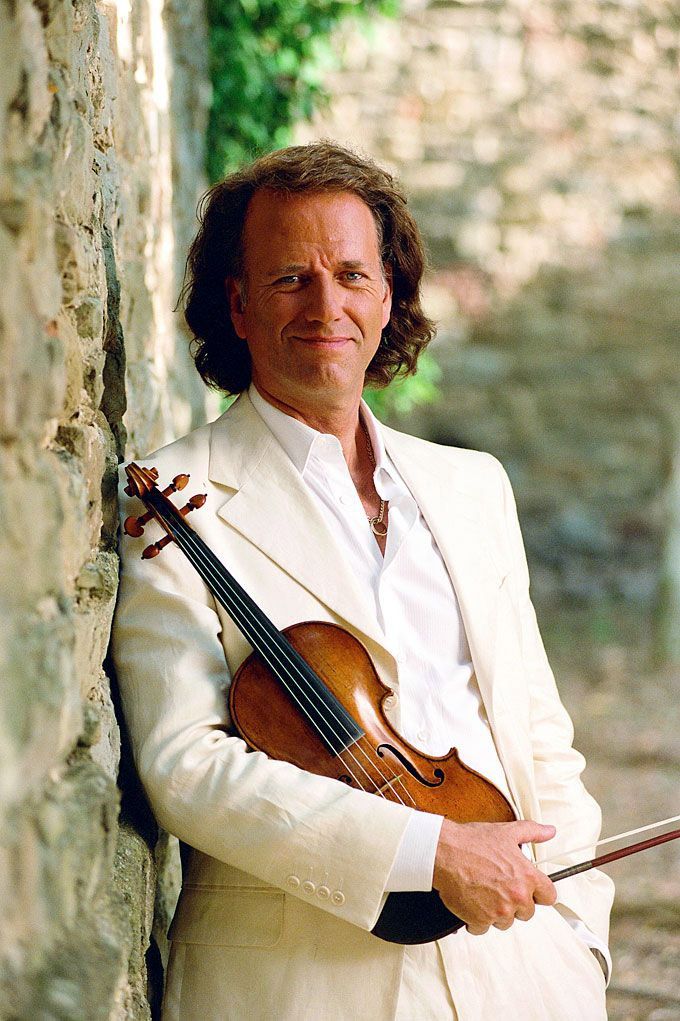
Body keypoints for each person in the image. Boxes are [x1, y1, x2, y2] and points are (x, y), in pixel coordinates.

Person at [112, 142, 614, 1020]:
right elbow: (185, 763)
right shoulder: (176, 502)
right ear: (235, 304)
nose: (326, 304)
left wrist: (580, 936)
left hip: (523, 977)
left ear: (387, 296)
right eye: (287, 279)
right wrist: (429, 851)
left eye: (351, 273)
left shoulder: (472, 486)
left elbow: (539, 736)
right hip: (300, 986)